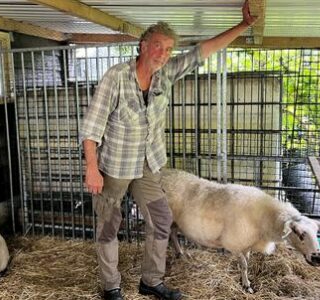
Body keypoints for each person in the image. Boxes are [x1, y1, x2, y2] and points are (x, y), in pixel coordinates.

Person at [79, 2, 256, 299]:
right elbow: (92, 126)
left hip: (148, 165)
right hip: (115, 168)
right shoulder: (116, 77)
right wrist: (91, 167)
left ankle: (151, 281)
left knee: (161, 219)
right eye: (158, 46)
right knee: (109, 226)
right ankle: (111, 287)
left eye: (169, 48)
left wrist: (243, 26)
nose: (163, 53)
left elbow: (204, 50)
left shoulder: (167, 74)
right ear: (143, 45)